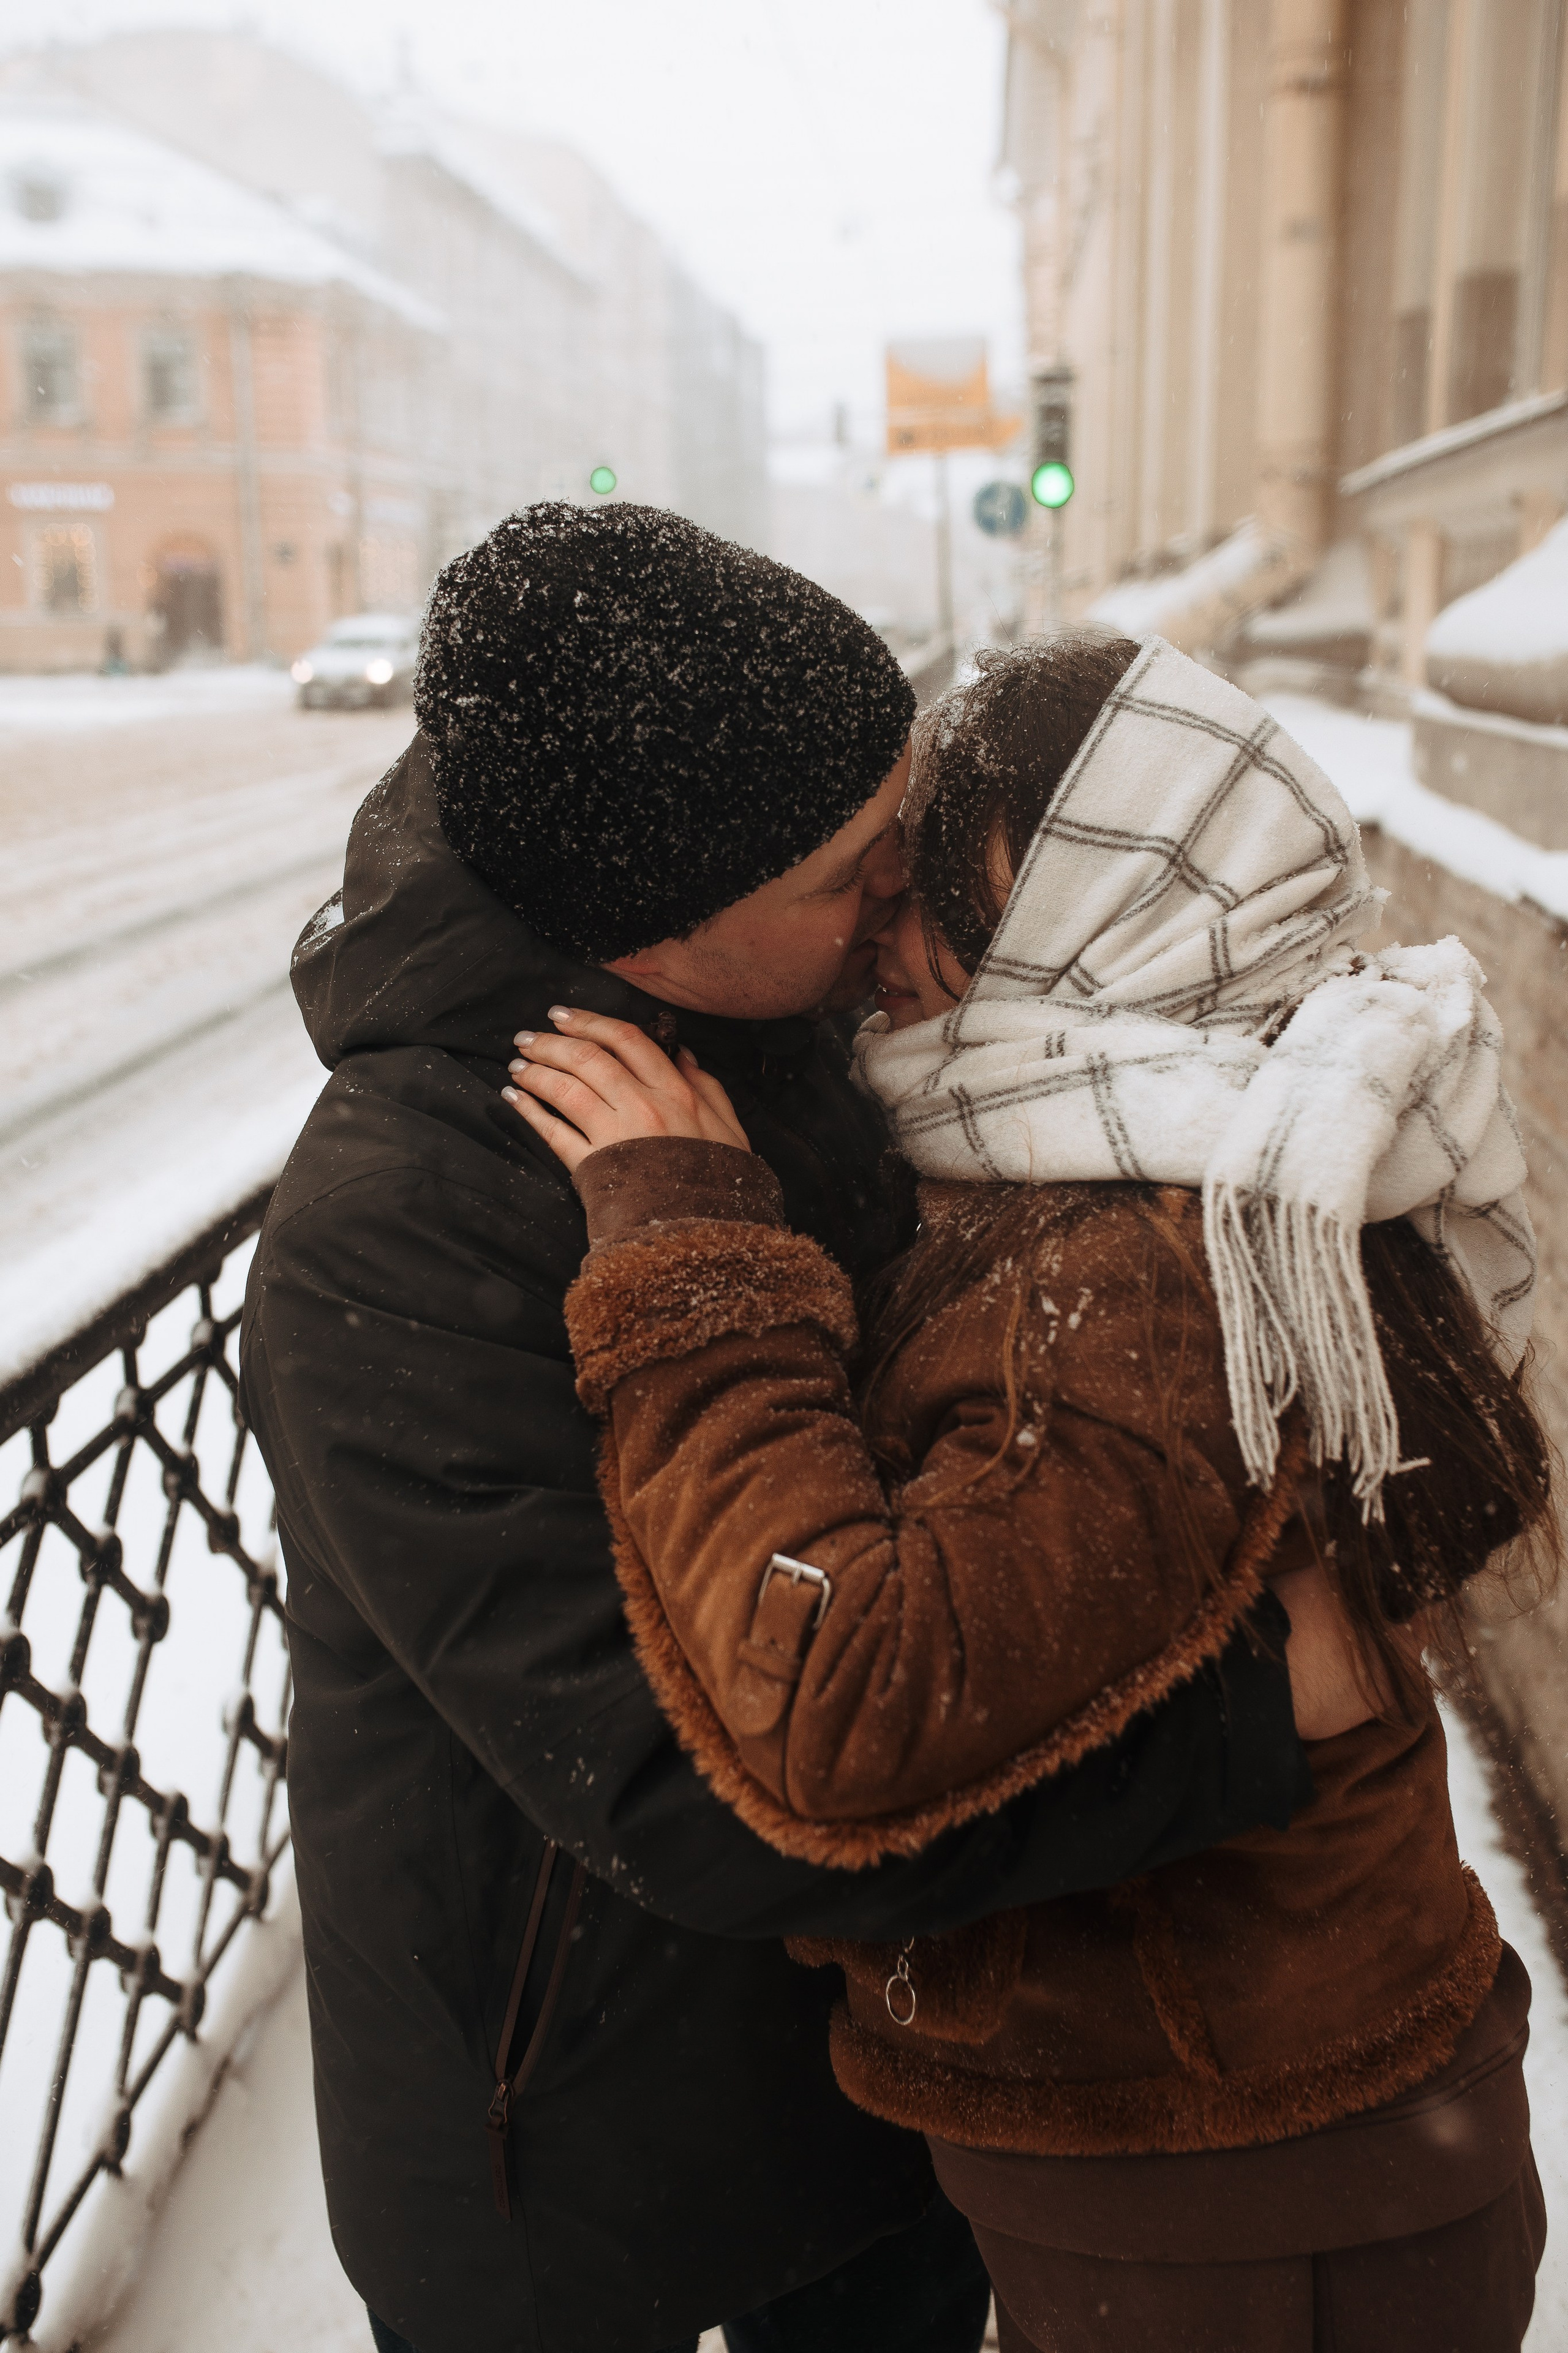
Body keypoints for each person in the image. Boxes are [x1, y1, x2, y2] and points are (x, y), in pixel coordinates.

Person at [241, 512, 1365, 2353]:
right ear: (661, 936)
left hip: (863, 2098)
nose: (908, 907)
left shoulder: (804, 1022)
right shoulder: (401, 1230)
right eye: (859, 872)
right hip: (569, 2171)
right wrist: (1237, 1720)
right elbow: (684, 1794)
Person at [508, 629, 1558, 2352]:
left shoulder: (1129, 1257)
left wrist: (692, 1258)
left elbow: (849, 1691)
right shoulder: (1236, 1123)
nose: (883, 948)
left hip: (1225, 2179)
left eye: (944, 894)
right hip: (1285, 2131)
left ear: (1101, 912)